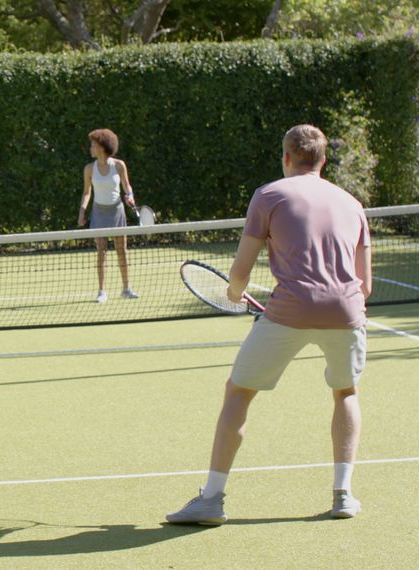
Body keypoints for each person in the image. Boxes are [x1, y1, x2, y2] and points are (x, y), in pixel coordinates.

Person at [166, 125, 372, 524]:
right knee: (346, 391)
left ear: (286, 158)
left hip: (289, 311)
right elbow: (366, 285)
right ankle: (343, 495)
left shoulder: (269, 194)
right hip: (347, 311)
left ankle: (211, 500)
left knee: (238, 392)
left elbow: (239, 274)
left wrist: (234, 293)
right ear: (323, 160)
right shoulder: (353, 203)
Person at [77, 129, 138, 303]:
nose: (91, 148)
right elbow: (87, 193)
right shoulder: (89, 169)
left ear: (102, 147)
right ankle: (102, 291)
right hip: (99, 212)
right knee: (101, 252)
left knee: (122, 251)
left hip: (117, 211)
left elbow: (127, 187)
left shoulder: (119, 165)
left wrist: (130, 197)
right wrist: (82, 211)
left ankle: (126, 288)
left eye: (93, 145)